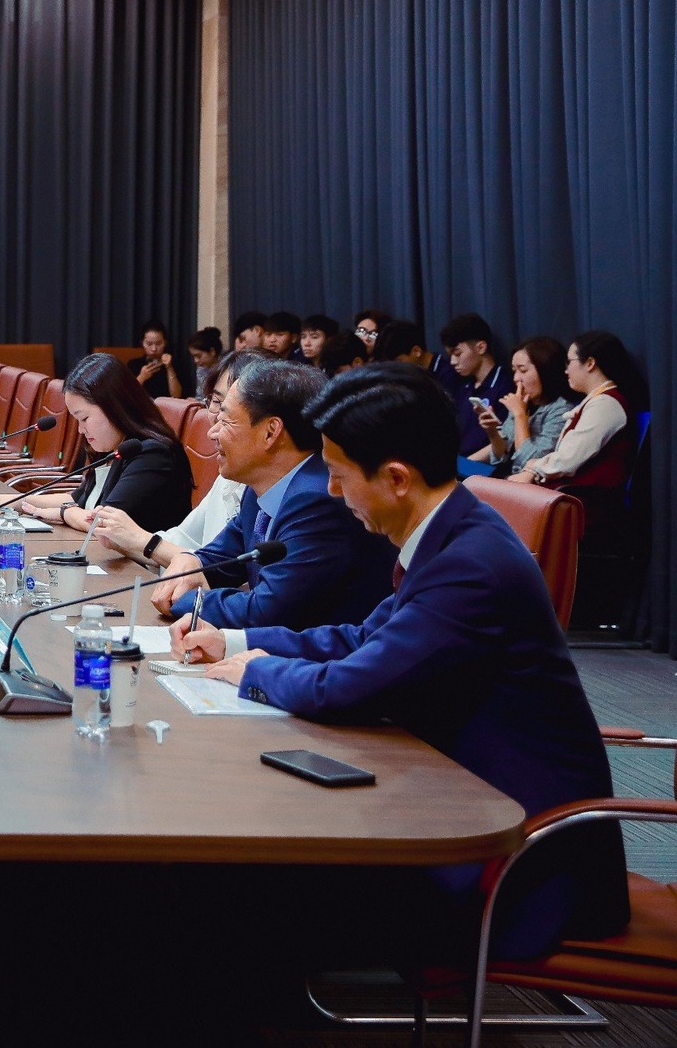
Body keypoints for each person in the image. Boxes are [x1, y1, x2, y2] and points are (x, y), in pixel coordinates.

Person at [175, 365, 627, 961]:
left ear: (395, 478)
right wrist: (236, 644)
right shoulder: (452, 531)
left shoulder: (471, 565)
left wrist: (255, 672)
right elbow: (365, 636)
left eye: (339, 476)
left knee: (232, 890)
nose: (331, 493)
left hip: (512, 858)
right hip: (447, 798)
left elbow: (351, 686)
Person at [149, 358, 393, 628]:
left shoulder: (318, 499)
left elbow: (264, 612)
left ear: (271, 432)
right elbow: (220, 560)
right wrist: (190, 559)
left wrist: (187, 600)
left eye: (226, 421)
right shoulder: (261, 488)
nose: (212, 432)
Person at [0, 352, 192, 535]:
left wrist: (64, 513)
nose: (80, 430)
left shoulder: (153, 455)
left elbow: (103, 522)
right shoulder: (114, 446)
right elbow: (79, 498)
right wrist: (14, 502)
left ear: (115, 408)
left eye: (84, 418)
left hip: (143, 567)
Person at [90, 348, 264, 564]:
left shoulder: (271, 494)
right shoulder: (227, 479)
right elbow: (185, 539)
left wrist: (139, 540)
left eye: (229, 410)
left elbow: (219, 567)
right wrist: (125, 541)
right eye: (216, 402)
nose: (213, 429)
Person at [512, 329, 645, 496]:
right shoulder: (596, 401)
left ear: (590, 363)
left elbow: (568, 459)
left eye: (569, 362)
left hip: (585, 501)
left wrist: (533, 468)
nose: (566, 370)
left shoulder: (606, 404)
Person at [473, 336, 574, 477]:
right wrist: (492, 431)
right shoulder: (523, 402)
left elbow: (529, 462)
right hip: (508, 477)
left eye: (523, 370)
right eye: (514, 371)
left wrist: (519, 415)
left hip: (532, 484)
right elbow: (501, 454)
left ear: (545, 371)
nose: (516, 378)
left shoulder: (562, 410)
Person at [436, 313, 512, 453]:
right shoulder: (462, 386)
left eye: (457, 354)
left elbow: (505, 441)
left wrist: (465, 462)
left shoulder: (505, 386)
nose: (452, 361)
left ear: (481, 347)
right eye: (450, 355)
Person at [127, 320, 183, 399]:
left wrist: (169, 368)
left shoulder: (175, 363)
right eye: (149, 344)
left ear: (165, 343)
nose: (154, 349)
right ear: (142, 343)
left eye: (159, 344)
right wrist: (142, 377)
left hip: (167, 405)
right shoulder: (134, 364)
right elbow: (128, 394)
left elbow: (177, 396)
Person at [185, 327, 223, 400]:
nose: (195, 360)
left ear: (212, 352)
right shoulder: (201, 369)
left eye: (198, 356)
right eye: (193, 357)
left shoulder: (228, 367)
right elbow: (201, 396)